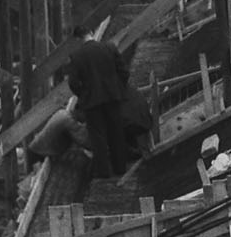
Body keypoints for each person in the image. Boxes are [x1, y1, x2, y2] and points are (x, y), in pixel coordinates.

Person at [29, 37, 154, 179]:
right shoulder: (120, 86)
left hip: (121, 144)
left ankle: (35, 153)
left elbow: (87, 118)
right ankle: (43, 150)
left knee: (62, 118)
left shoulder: (99, 94)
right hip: (134, 138)